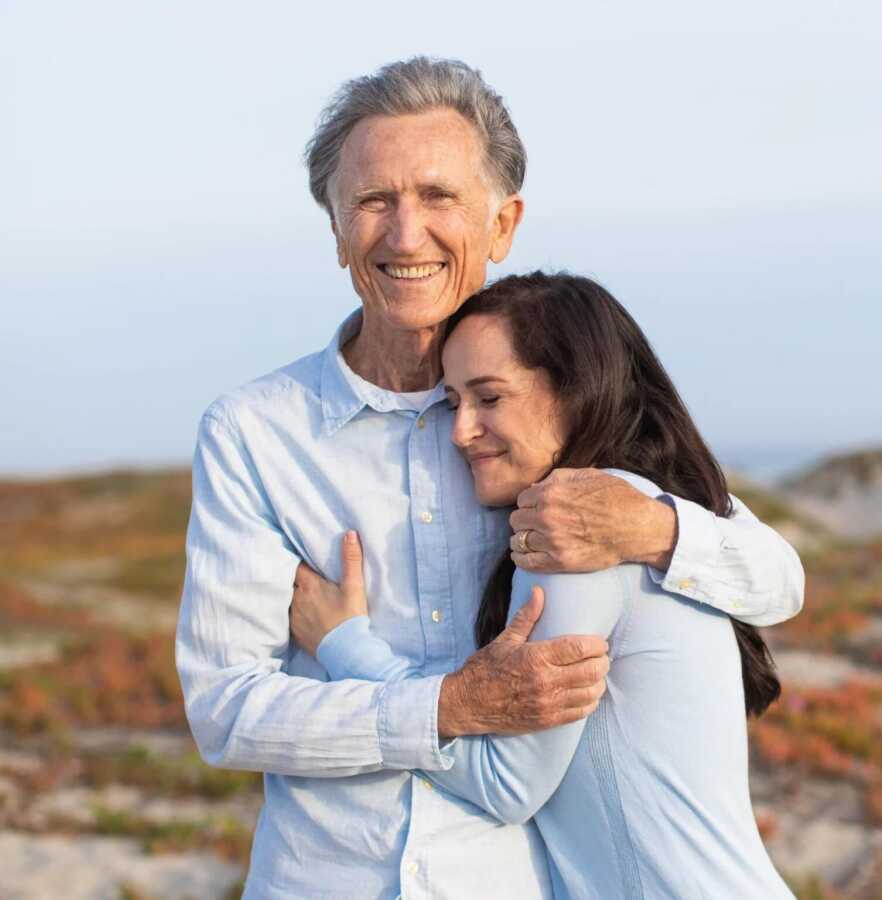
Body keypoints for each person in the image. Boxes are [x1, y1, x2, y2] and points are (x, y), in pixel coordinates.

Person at [176, 57, 804, 899]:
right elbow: (226, 712)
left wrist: (651, 529)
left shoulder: (554, 431)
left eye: (439, 197)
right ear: (334, 230)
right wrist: (445, 707)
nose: (406, 235)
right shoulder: (254, 433)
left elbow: (776, 579)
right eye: (372, 202)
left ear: (503, 225)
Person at [290, 271, 795, 899]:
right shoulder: (646, 501)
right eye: (453, 401)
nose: (460, 430)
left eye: (490, 398)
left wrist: (346, 645)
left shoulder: (577, 527)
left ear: (575, 392)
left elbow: (508, 785)